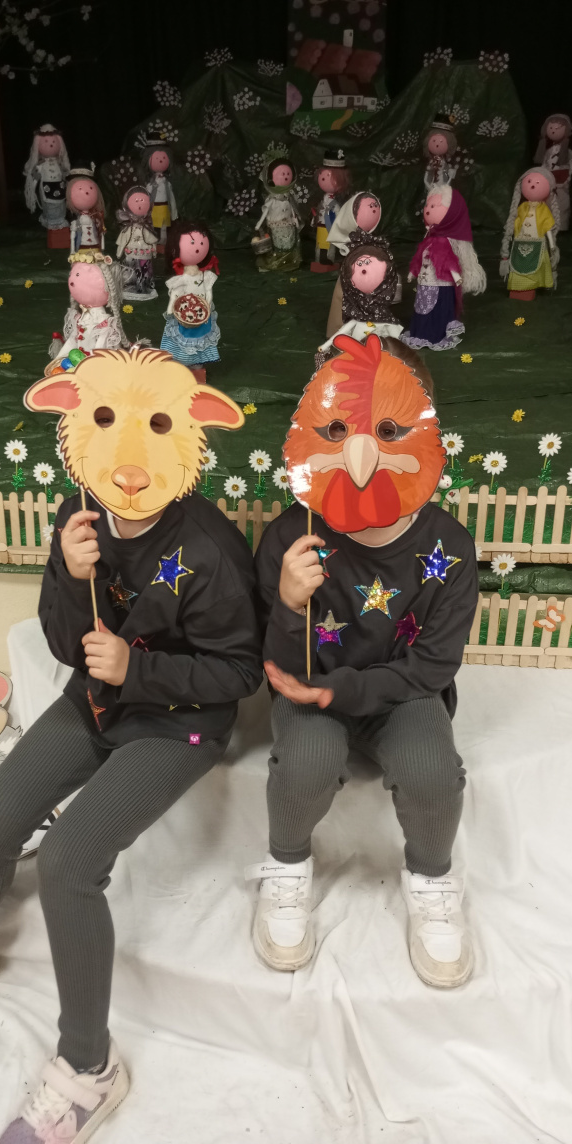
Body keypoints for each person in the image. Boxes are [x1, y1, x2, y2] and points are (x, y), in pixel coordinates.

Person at [0, 351, 262, 1143]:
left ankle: (88, 1068)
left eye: (152, 427)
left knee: (67, 863)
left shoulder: (210, 548)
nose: (127, 464)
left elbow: (239, 673)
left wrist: (141, 669)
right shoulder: (81, 513)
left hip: (178, 721)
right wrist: (68, 574)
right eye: (105, 424)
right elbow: (68, 644)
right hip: (95, 701)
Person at [247, 335, 478, 988]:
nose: (360, 451)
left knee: (432, 772)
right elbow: (277, 666)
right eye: (337, 428)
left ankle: (431, 879)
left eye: (387, 429)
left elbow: (433, 667)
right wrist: (289, 605)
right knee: (306, 762)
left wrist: (349, 692)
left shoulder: (449, 547)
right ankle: (287, 865)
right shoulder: (291, 537)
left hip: (403, 692)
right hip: (310, 689)